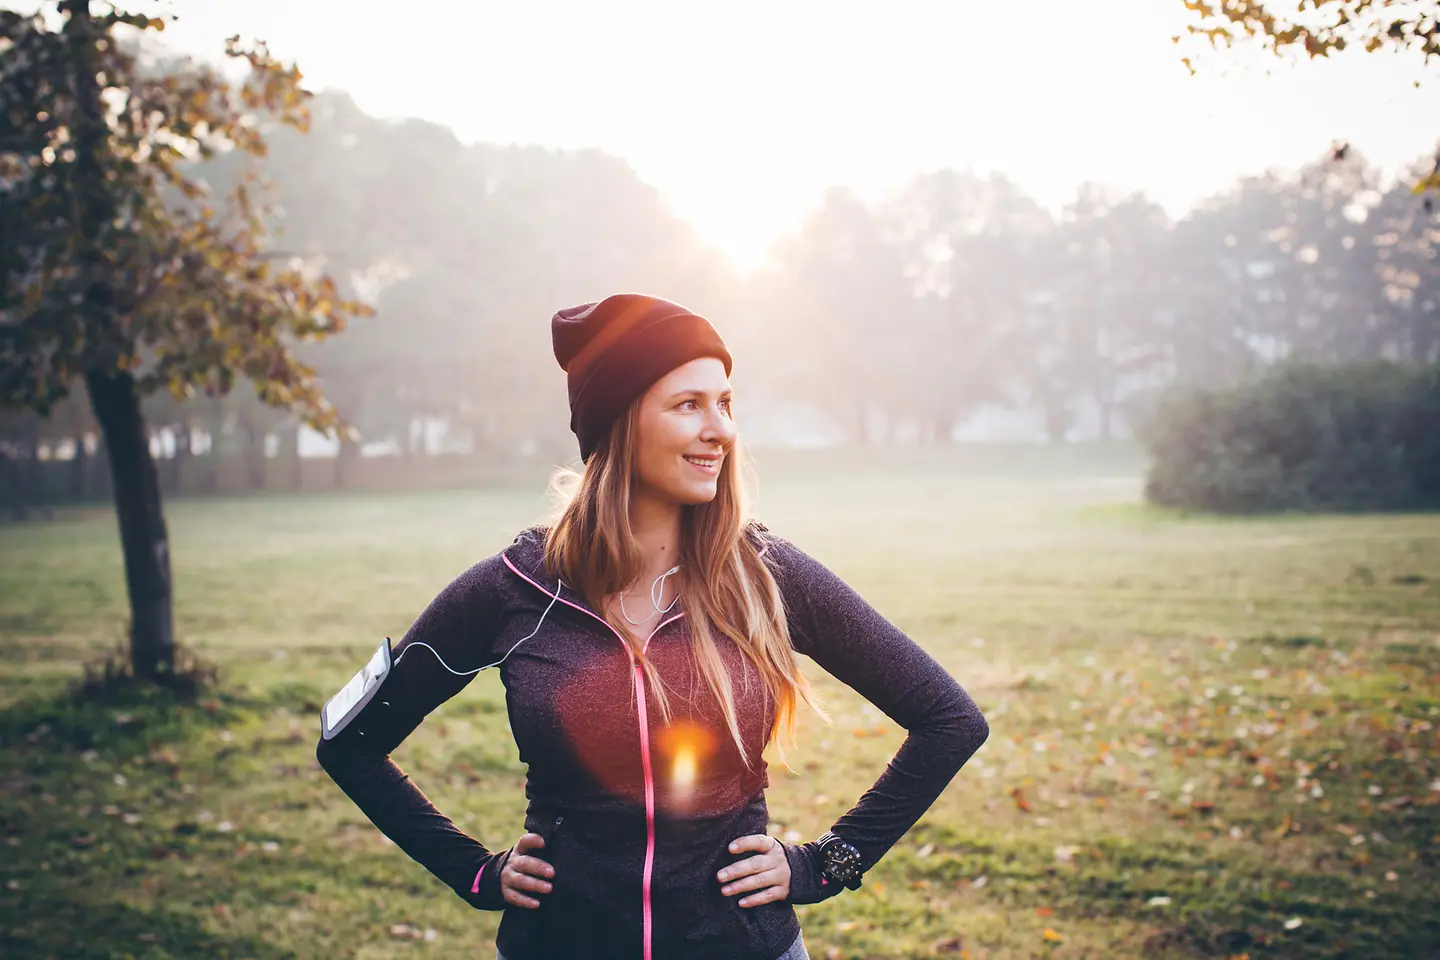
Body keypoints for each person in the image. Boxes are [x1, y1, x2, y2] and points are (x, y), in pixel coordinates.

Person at [316, 293, 990, 960]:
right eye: (689, 404)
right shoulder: (513, 591)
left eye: (725, 404)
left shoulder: (766, 574)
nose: (722, 429)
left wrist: (827, 862)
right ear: (620, 423)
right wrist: (474, 871)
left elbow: (949, 718)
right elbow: (352, 745)